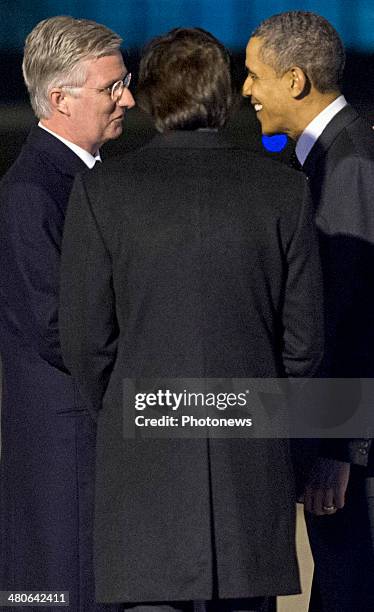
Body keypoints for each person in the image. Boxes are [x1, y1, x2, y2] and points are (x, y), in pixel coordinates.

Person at [59, 27, 324, 612]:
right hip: (249, 473)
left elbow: (84, 342)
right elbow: (305, 345)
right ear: (225, 96)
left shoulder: (103, 192)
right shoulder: (285, 192)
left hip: (144, 476)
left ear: (149, 96)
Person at [0, 15, 134, 610]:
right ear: (59, 98)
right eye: (112, 87)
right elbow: (58, 328)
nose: (127, 97)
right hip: (68, 445)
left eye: (123, 82)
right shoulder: (35, 191)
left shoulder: (89, 180)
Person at [243, 10, 374, 612]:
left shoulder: (349, 165)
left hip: (352, 460)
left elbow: (356, 319)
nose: (245, 90)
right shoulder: (331, 155)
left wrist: (336, 449)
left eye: (253, 75)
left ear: (295, 81)